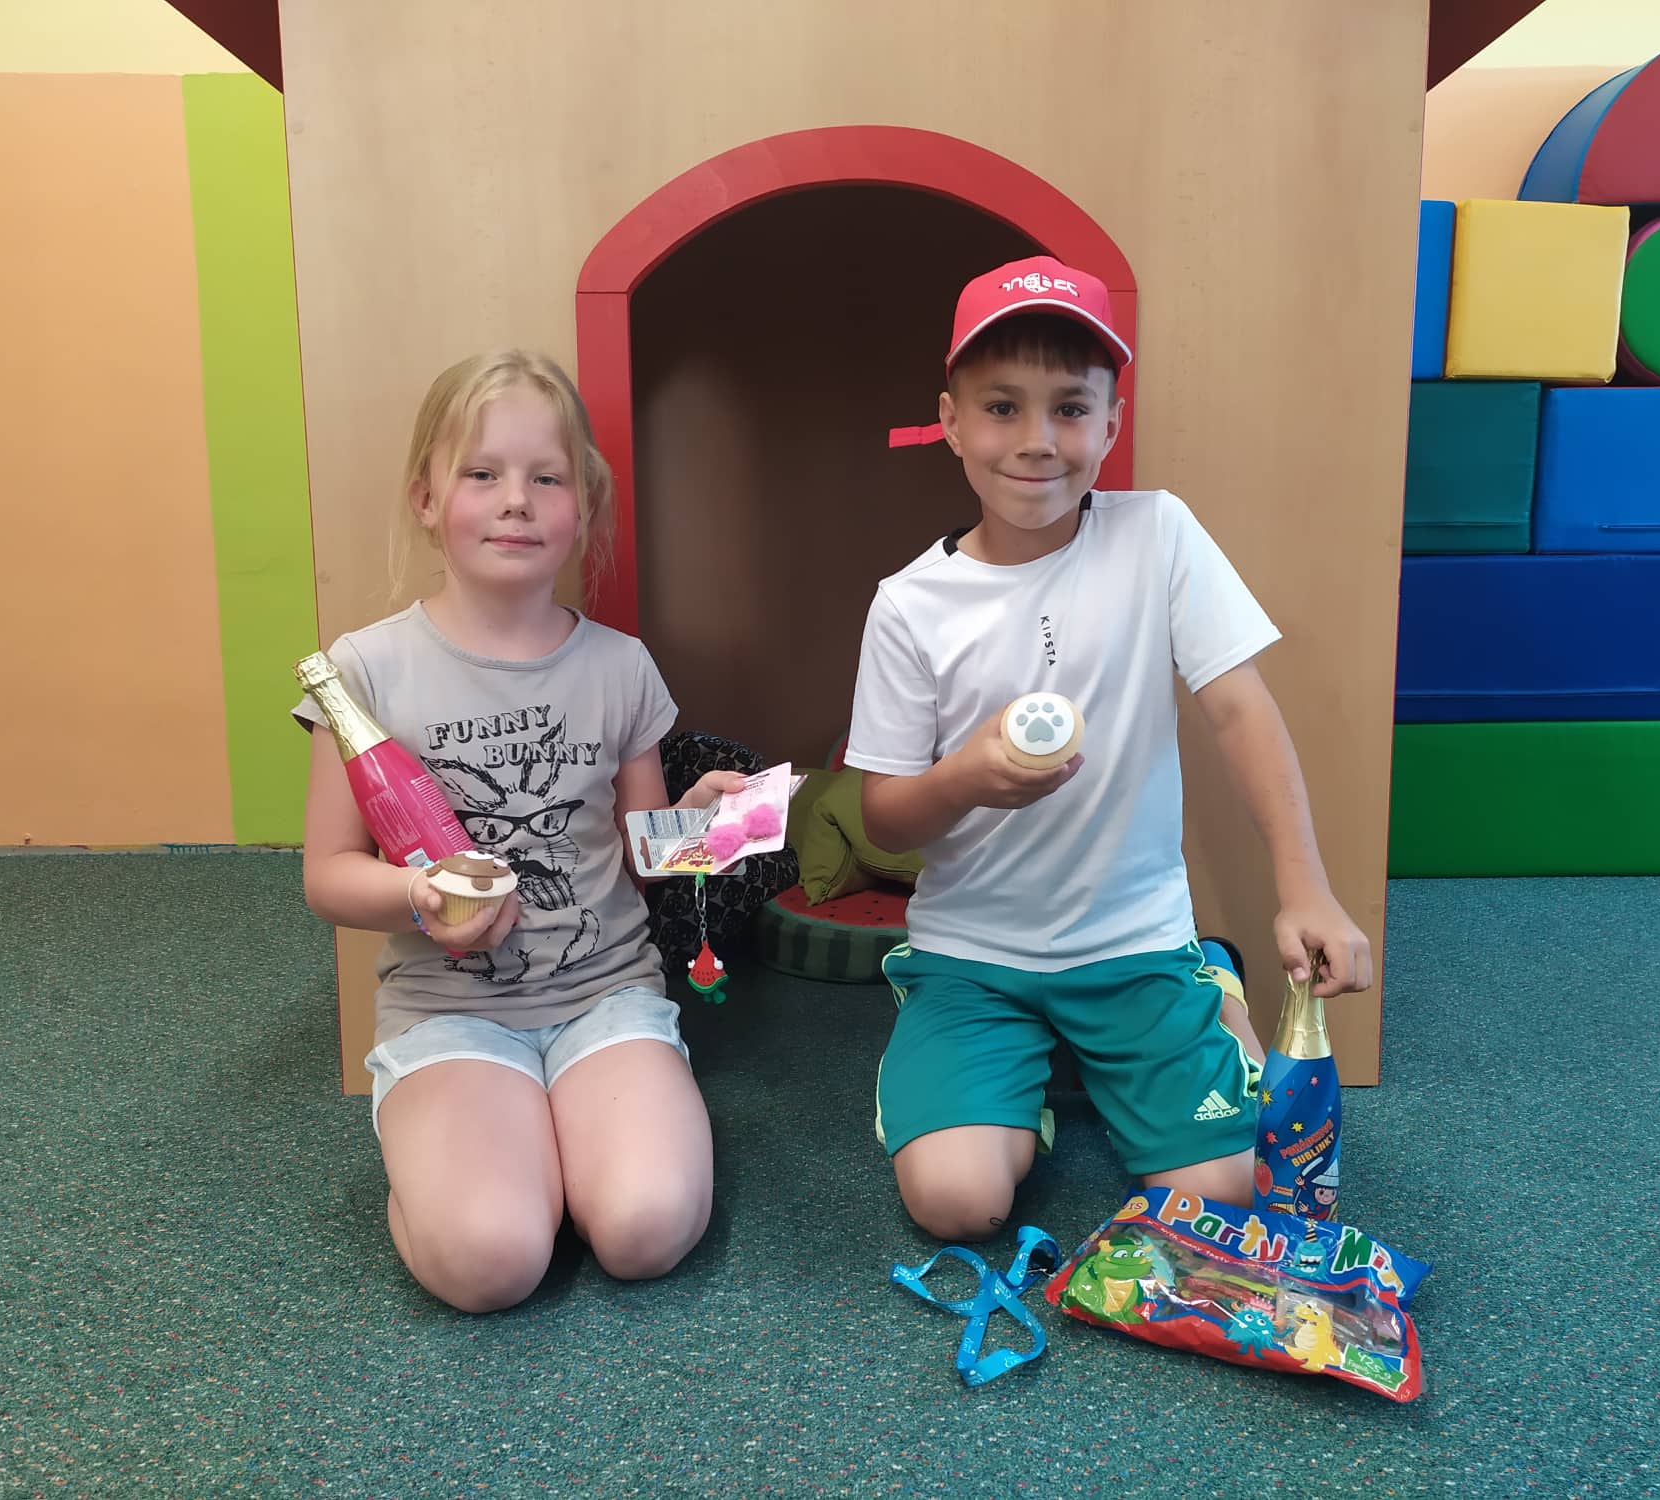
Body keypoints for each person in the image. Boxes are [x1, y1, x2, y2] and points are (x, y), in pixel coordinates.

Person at [847, 258, 1374, 1241]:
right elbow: (882, 817)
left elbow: (1240, 711)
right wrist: (965, 780)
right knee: (957, 1203)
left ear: (1111, 423)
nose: (1036, 440)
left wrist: (1304, 887)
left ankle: (1208, 980)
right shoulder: (910, 604)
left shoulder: (1156, 534)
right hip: (972, 956)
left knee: (1220, 1194)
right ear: (950, 422)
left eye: (1070, 408)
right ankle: (1008, 1083)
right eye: (1001, 407)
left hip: (1132, 943)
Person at [295, 350, 732, 1310]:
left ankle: (554, 1146)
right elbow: (328, 875)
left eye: (548, 478)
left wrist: (701, 824)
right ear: (426, 499)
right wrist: (420, 892)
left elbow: (643, 857)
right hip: (447, 1012)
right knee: (491, 1262)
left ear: (584, 505)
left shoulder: (620, 666)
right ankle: (480, 1161)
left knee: (648, 1228)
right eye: (482, 473)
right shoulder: (363, 671)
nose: (516, 502)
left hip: (604, 997)